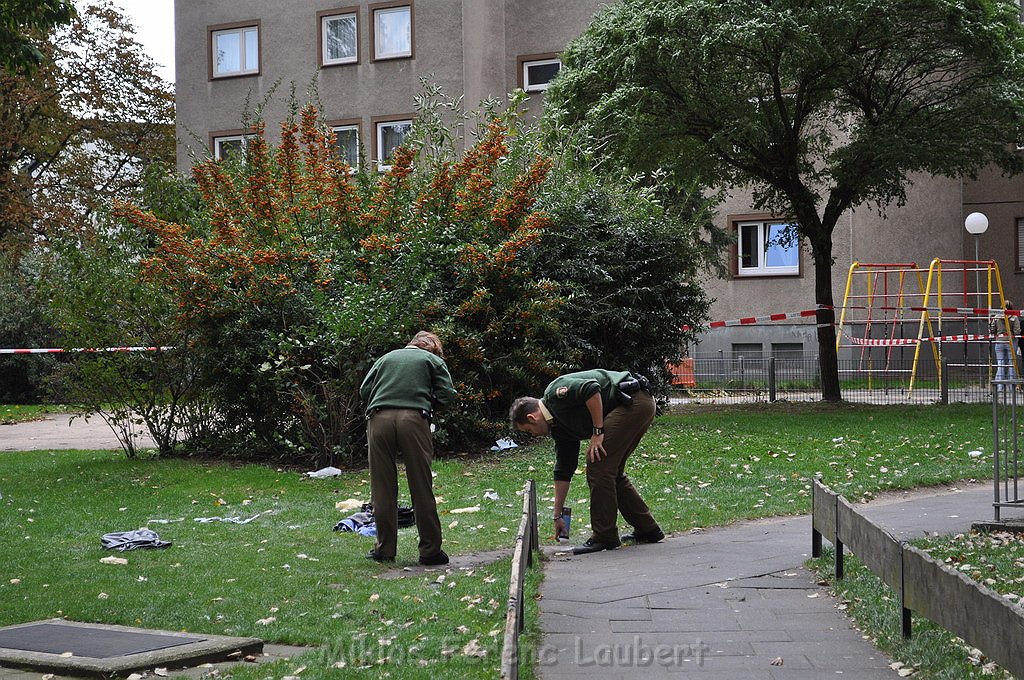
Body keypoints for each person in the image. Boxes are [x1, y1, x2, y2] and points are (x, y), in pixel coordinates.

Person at [509, 369, 664, 555]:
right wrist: (557, 515)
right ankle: (648, 529)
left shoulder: (555, 393)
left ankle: (604, 537)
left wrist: (597, 432)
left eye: (528, 431)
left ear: (532, 418)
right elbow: (563, 470)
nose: (532, 435)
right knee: (610, 472)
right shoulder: (559, 428)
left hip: (633, 401)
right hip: (636, 405)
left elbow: (591, 389)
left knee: (598, 467)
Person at [359, 331, 457, 565]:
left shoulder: (385, 358)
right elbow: (447, 394)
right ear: (433, 348)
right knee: (421, 485)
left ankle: (384, 550)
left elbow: (365, 391)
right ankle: (430, 551)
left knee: (382, 486)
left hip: (378, 418)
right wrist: (431, 403)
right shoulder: (432, 361)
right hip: (413, 419)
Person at [989, 301, 1021, 390]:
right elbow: (1017, 331)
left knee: (1000, 363)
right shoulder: (1014, 317)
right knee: (1011, 363)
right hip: (1011, 341)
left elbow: (992, 330)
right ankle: (1012, 387)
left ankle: (999, 387)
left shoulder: (997, 316)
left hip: (999, 341)